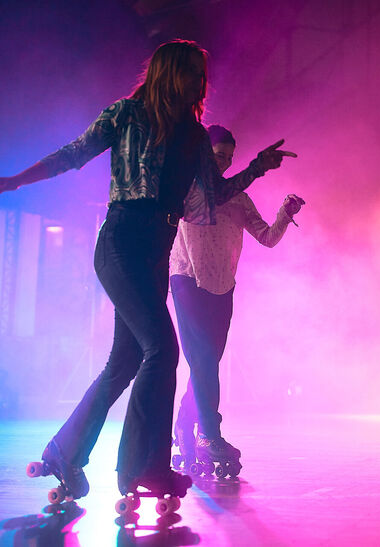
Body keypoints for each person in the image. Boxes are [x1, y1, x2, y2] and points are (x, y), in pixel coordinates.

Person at [0, 40, 295, 499]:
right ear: (169, 72)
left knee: (127, 359)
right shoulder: (125, 114)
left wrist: (257, 167)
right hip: (122, 240)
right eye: (192, 72)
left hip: (157, 251)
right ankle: (143, 468)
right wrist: (16, 180)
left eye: (202, 74)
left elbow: (213, 195)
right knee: (161, 348)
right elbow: (72, 153)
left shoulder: (195, 136)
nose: (200, 81)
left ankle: (64, 454)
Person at [170, 124, 304, 473]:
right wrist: (257, 167)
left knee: (207, 363)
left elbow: (266, 237)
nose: (225, 164)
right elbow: (207, 197)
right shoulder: (191, 188)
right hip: (187, 279)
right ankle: (208, 434)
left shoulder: (239, 196)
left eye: (229, 158)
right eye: (218, 157)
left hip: (222, 285)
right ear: (204, 155)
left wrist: (284, 216)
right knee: (203, 361)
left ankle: (186, 426)